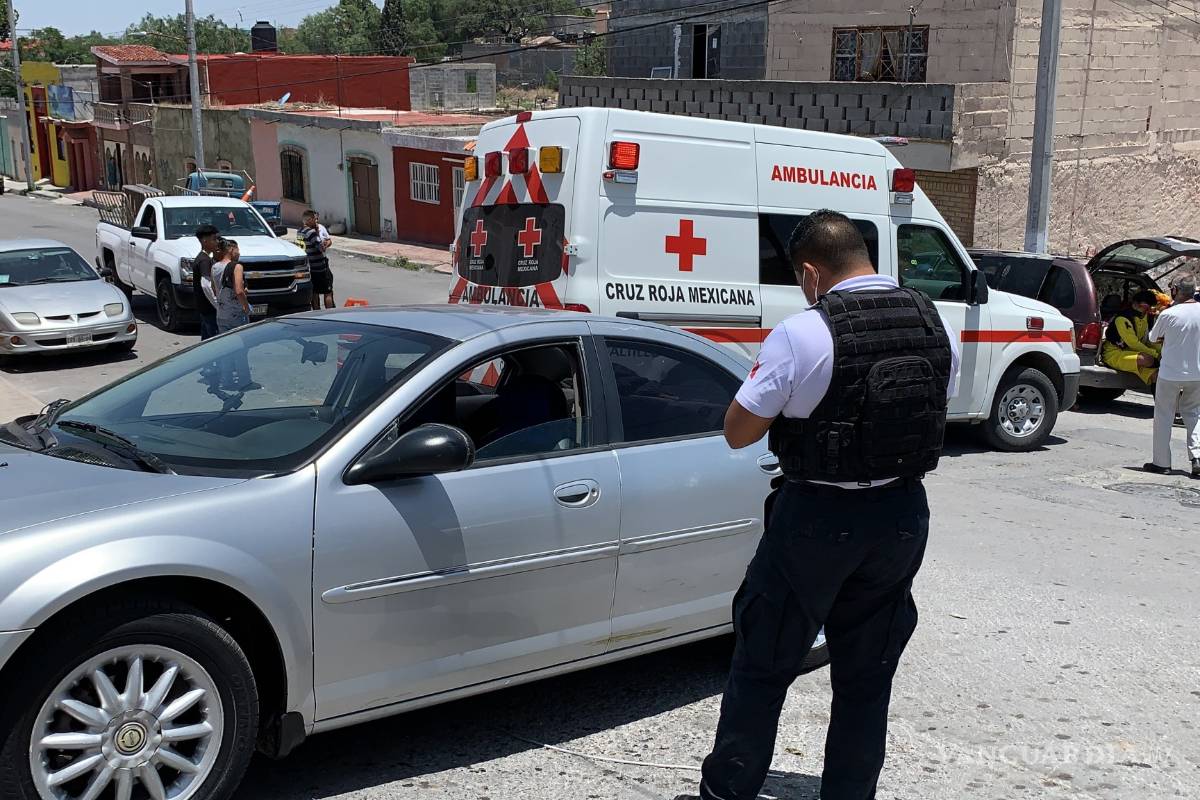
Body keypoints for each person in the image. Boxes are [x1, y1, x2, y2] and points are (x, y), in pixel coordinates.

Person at [693, 211, 960, 800]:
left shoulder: (804, 332)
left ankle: (727, 792)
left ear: (812, 273)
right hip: (901, 517)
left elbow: (739, 431)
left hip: (816, 518)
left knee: (763, 664)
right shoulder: (929, 318)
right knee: (868, 677)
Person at [1145, 276, 1200, 477]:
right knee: (1194, 414)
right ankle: (1197, 456)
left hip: (1170, 373)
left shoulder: (1169, 314)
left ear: (1176, 290)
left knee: (1164, 416)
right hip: (1197, 373)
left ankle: (1161, 462)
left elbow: (1153, 338)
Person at [209, 238, 258, 392]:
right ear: (231, 249)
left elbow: (214, 288)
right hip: (236, 313)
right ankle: (244, 381)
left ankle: (227, 380)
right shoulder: (237, 267)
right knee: (241, 349)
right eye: (237, 249)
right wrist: (246, 307)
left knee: (226, 349)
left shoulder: (215, 267)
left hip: (222, 313)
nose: (239, 253)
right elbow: (238, 290)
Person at [1101, 290, 1162, 385]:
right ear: (1139, 304)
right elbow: (1133, 343)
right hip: (1115, 353)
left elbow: (1148, 339)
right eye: (1147, 307)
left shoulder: (1144, 317)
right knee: (1146, 359)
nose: (1148, 310)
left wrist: (1161, 352)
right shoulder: (1123, 319)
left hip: (1133, 352)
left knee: (1158, 376)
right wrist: (1155, 355)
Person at [193, 224, 221, 341]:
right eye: (214, 239)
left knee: (206, 340)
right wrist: (217, 305)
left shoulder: (203, 258)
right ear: (205, 240)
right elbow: (206, 285)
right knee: (214, 341)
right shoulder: (204, 260)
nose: (216, 242)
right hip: (209, 308)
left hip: (204, 307)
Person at [302, 209, 335, 310]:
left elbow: (328, 240)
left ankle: (316, 311)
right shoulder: (311, 232)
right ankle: (329, 313)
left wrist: (327, 242)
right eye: (314, 219)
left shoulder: (300, 231)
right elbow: (321, 248)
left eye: (317, 219)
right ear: (309, 220)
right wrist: (321, 241)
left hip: (310, 266)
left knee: (315, 291)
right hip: (318, 267)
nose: (316, 222)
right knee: (327, 291)